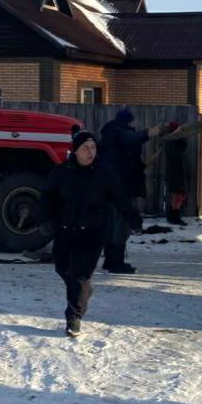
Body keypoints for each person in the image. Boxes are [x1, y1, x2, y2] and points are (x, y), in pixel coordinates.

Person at [41, 130, 141, 337]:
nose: (90, 152)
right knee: (62, 268)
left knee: (79, 275)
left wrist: (134, 219)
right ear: (75, 151)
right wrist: (43, 220)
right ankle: (84, 291)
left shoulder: (105, 173)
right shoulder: (60, 173)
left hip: (93, 233)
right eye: (85, 148)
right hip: (65, 230)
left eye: (93, 148)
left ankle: (74, 317)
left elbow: (120, 199)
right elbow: (47, 198)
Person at [97, 107, 167, 273]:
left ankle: (109, 261)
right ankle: (116, 263)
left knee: (111, 223)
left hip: (109, 185)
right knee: (121, 224)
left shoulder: (108, 136)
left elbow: (125, 156)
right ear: (127, 121)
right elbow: (132, 139)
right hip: (122, 187)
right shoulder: (119, 132)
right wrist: (152, 132)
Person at [162, 122, 189, 225]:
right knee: (178, 194)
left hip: (178, 170)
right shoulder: (170, 142)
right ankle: (174, 217)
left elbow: (182, 150)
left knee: (180, 194)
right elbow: (175, 155)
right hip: (173, 171)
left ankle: (173, 216)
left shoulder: (175, 141)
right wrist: (180, 143)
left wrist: (182, 142)